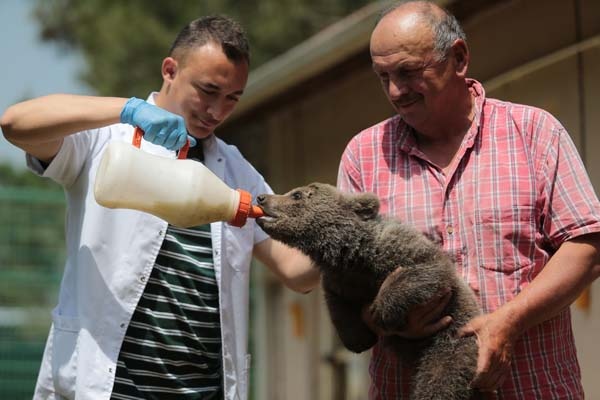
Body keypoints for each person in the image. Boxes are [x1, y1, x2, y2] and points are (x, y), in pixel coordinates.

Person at [1, 15, 318, 400]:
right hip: (107, 388)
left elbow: (297, 272)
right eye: (208, 90)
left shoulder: (237, 173)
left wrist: (352, 226)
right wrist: (128, 109)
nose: (217, 111)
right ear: (170, 69)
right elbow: (15, 123)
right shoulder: (105, 140)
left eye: (232, 98)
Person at [337, 1, 600, 399]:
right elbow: (344, 282)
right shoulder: (364, 156)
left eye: (408, 72)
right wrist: (384, 319)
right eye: (383, 77)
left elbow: (586, 247)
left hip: (533, 388)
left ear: (458, 58)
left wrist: (508, 321)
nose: (395, 91)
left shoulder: (534, 133)